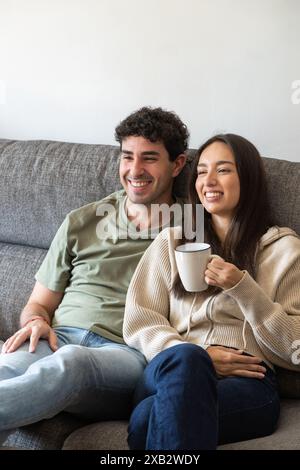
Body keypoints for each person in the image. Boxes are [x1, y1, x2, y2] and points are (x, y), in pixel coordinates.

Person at [0, 106, 189, 444]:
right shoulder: (81, 220)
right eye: (127, 156)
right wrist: (36, 322)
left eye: (149, 158)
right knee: (7, 368)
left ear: (177, 164)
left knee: (72, 363)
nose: (135, 170)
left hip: (125, 355)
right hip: (58, 339)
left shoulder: (192, 230)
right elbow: (38, 304)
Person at [123, 133, 300, 450]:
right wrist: (199, 358)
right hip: (170, 365)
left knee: (146, 419)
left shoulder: (286, 250)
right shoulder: (172, 241)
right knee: (187, 360)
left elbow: (296, 347)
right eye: (202, 171)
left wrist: (244, 289)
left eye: (223, 170)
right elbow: (140, 319)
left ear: (249, 179)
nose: (209, 180)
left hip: (247, 382)